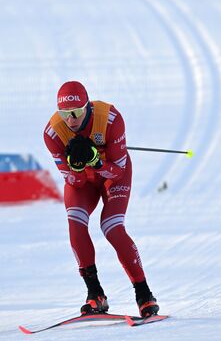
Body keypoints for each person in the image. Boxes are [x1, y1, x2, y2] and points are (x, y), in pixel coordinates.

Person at [43, 80, 159, 317]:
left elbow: (118, 170)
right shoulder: (53, 133)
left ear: (88, 107)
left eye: (76, 112)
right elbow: (74, 182)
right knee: (75, 223)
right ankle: (95, 293)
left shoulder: (110, 119)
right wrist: (75, 167)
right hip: (85, 181)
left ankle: (144, 294)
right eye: (65, 114)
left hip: (112, 177)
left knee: (111, 227)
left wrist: (95, 160)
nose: (71, 119)